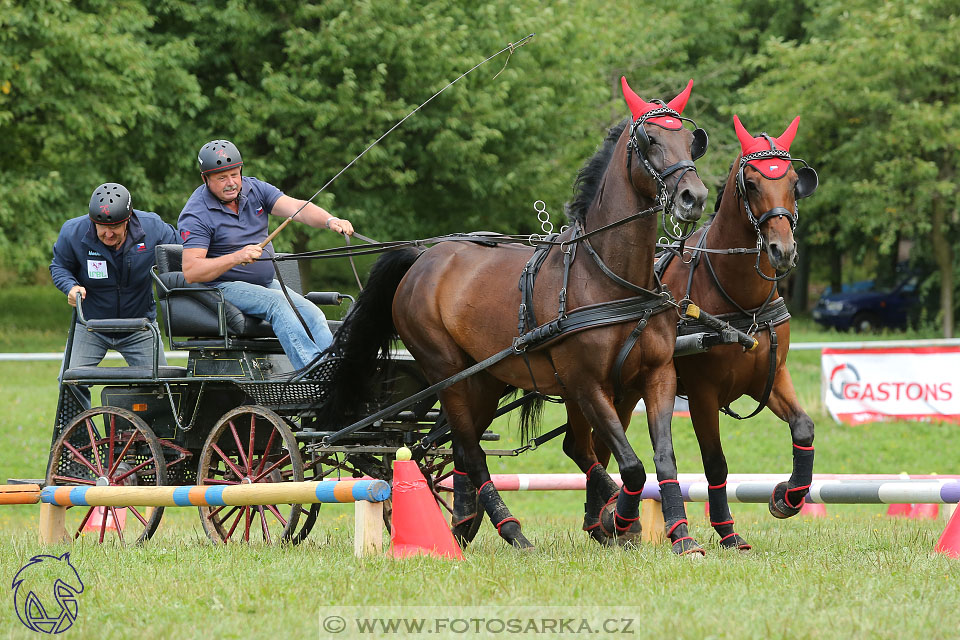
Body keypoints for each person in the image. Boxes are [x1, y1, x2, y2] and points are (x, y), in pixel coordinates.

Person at [177, 139, 354, 371]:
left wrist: (330, 220)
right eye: (221, 178)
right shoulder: (196, 213)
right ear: (205, 179)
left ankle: (337, 371)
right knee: (278, 303)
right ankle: (315, 372)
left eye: (234, 174)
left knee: (313, 314)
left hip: (263, 283)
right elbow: (191, 271)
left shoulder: (255, 189)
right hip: (222, 286)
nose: (231, 183)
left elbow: (297, 208)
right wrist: (236, 257)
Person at [50, 182, 180, 408]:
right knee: (69, 381)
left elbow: (183, 255)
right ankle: (80, 438)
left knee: (160, 385)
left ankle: (148, 441)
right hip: (90, 324)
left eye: (115, 227)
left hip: (140, 326)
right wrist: (70, 287)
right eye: (101, 227)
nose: (108, 233)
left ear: (128, 219)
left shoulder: (155, 228)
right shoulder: (73, 232)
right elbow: (59, 266)